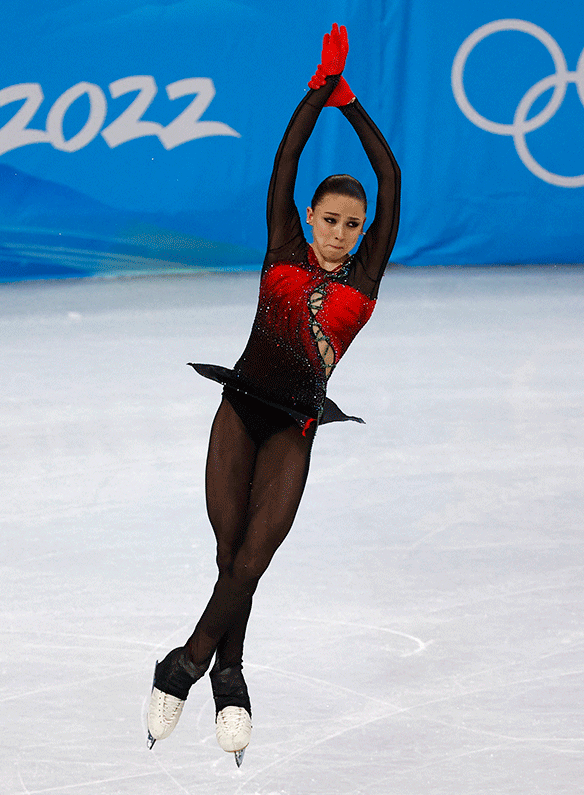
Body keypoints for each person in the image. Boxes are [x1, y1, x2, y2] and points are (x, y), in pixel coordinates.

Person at [145, 23, 400, 766]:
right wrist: (318, 93)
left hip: (295, 426)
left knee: (251, 563)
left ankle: (184, 662)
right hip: (240, 408)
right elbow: (287, 160)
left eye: (353, 226)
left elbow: (390, 179)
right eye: (331, 219)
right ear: (309, 219)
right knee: (229, 554)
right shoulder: (282, 249)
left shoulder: (364, 280)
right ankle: (229, 674)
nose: (342, 233)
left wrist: (350, 104)